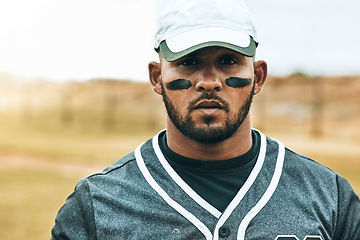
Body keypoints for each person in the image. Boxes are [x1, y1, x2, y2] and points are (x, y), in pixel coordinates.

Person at [50, 0, 360, 239]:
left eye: (228, 61)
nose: (209, 81)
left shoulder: (329, 196)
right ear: (157, 77)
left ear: (258, 76)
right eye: (188, 62)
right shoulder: (97, 205)